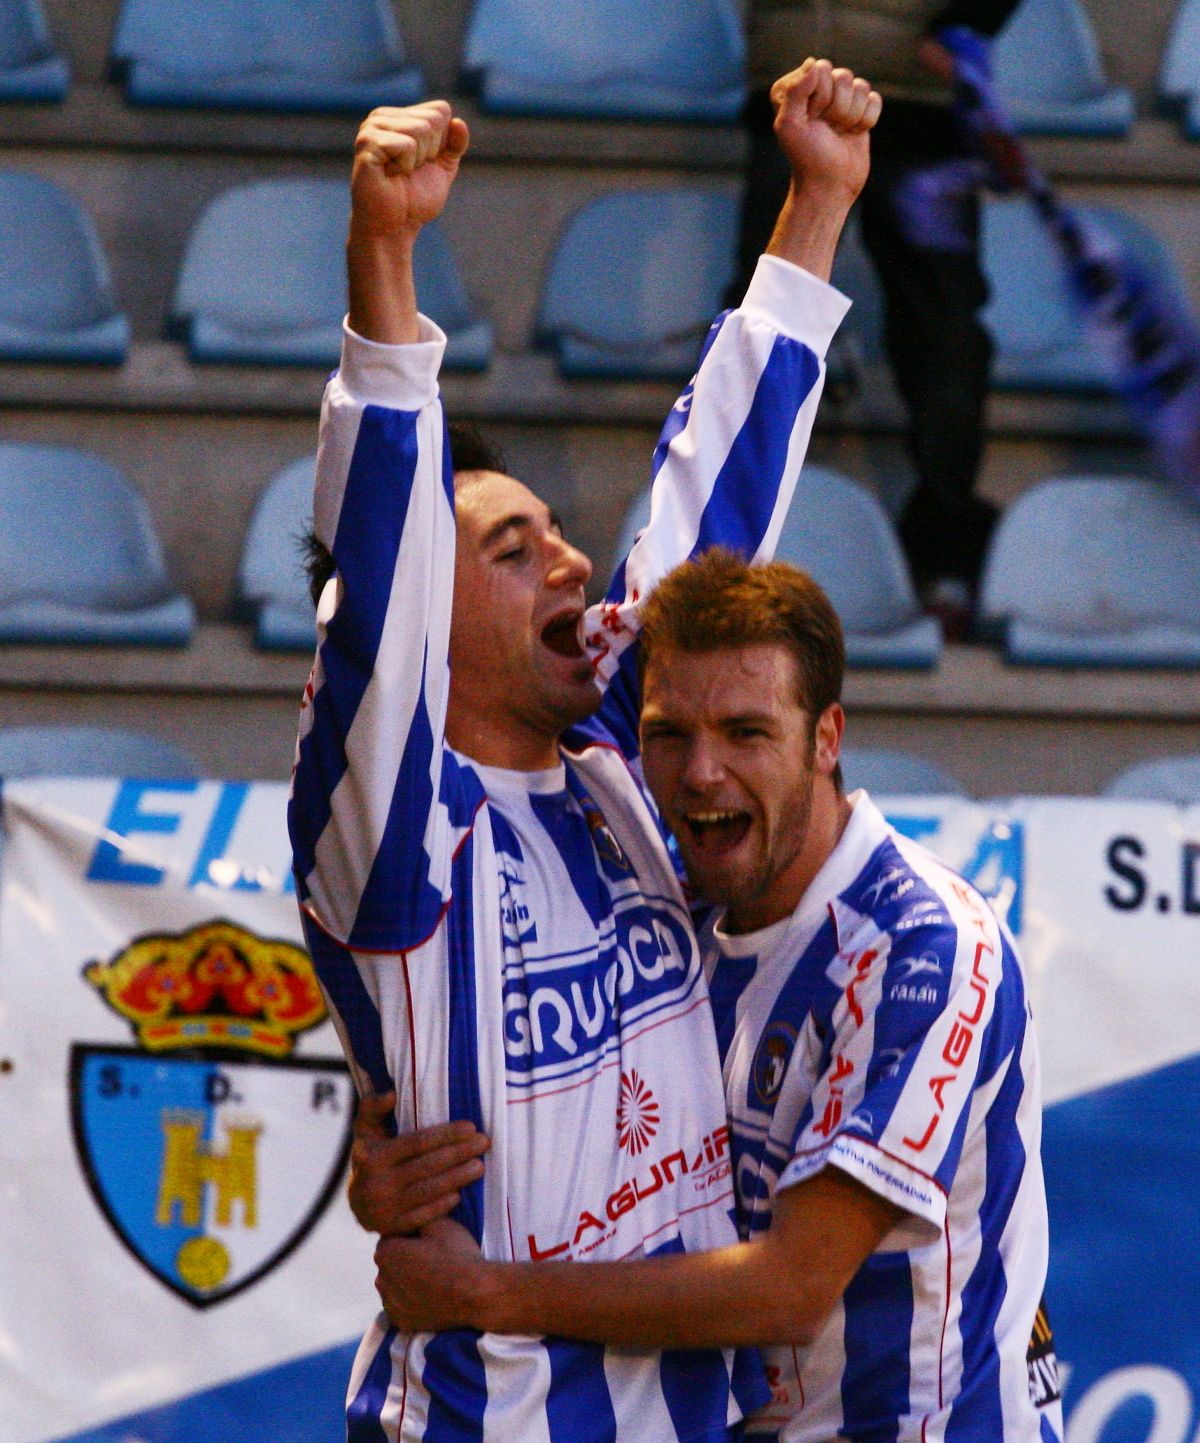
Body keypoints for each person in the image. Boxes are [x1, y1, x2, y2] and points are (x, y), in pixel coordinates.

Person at [288, 64, 880, 1443]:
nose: (571, 557)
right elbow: (373, 579)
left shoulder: (619, 753)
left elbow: (714, 497)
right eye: (514, 549)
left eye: (555, 530)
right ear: (432, 614)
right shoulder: (395, 832)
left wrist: (817, 204)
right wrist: (386, 264)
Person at [360, 549, 1063, 1441]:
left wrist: (488, 1292)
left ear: (826, 738)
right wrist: (396, 1172)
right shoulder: (671, 914)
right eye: (668, 734)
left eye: (745, 732)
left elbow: (791, 1288)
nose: (699, 773)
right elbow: (549, 1131)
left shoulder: (925, 946)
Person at [731, 1, 1022, 635]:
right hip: (795, 90)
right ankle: (724, 548)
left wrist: (967, 29)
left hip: (917, 103)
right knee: (759, 324)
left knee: (943, 334)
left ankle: (946, 565)